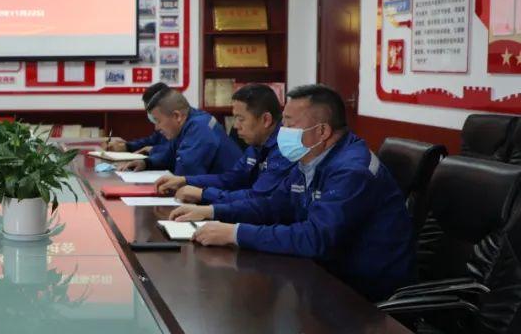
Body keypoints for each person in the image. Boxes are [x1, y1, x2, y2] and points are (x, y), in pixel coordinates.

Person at [171, 84, 415, 301]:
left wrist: (236, 233)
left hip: (361, 288)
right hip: (325, 271)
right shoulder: (311, 157)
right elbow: (273, 204)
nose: (282, 131)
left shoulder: (351, 171)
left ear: (322, 131)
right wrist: (213, 211)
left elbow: (316, 238)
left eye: (289, 124)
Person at [155, 83, 292, 205]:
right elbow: (230, 179)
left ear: (266, 120)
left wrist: (204, 195)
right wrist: (185, 180)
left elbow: (257, 197)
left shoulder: (284, 150)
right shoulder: (257, 144)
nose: (236, 126)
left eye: (241, 119)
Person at [123, 85, 242, 175]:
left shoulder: (200, 128)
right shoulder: (187, 121)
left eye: (158, 121)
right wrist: (147, 163)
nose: (156, 128)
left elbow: (185, 175)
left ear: (177, 116)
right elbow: (170, 155)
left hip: (230, 194)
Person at [102, 82, 171, 157]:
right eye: (147, 111)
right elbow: (150, 141)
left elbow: (173, 151)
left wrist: (153, 150)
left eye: (150, 111)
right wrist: (126, 146)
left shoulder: (177, 128)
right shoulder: (163, 125)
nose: (156, 128)